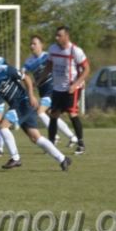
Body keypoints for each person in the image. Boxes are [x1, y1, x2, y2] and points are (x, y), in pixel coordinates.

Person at [0, 54, 73, 171]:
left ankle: (15, 158)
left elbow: (26, 78)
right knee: (36, 138)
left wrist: (31, 96)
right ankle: (63, 159)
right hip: (16, 105)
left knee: (2, 126)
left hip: (23, 102)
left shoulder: (6, 69)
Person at [21, 35, 79, 148]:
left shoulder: (48, 56)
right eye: (31, 44)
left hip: (53, 89)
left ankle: (55, 136)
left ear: (41, 45)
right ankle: (72, 137)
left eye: (34, 43)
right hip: (43, 91)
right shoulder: (29, 61)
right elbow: (23, 74)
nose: (31, 46)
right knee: (53, 116)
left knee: (40, 111)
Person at [45, 26, 90, 155]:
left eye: (59, 35)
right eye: (56, 35)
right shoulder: (53, 49)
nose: (56, 37)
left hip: (71, 88)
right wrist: (40, 79)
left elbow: (86, 69)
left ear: (66, 36)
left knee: (72, 114)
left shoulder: (75, 50)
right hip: (57, 88)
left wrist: (75, 84)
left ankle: (81, 144)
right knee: (53, 115)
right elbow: (49, 65)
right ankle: (51, 144)